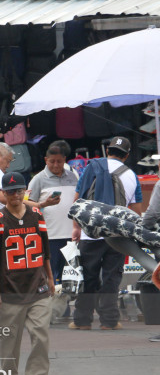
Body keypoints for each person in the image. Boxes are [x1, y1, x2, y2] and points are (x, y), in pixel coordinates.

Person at [0, 172, 54, 375]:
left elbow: (45, 251)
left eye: (19, 191)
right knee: (10, 340)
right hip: (9, 290)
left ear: (25, 192)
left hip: (38, 287)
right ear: (3, 194)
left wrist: (50, 278)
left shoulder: (36, 214)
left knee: (41, 334)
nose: (15, 195)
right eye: (11, 191)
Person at [71, 136, 141, 331]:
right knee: (111, 277)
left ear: (107, 151)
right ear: (126, 155)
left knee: (88, 276)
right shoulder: (131, 175)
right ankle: (109, 321)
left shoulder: (90, 168)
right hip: (118, 235)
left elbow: (78, 200)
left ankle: (82, 320)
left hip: (89, 233)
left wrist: (76, 227)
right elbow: (135, 210)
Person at [26, 140, 79, 286]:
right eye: (52, 162)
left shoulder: (73, 176)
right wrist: (43, 204)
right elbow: (27, 204)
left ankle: (65, 306)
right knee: (51, 276)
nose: (55, 165)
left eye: (59, 162)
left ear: (65, 161)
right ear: (45, 160)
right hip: (50, 236)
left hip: (71, 235)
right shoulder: (37, 180)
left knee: (69, 276)